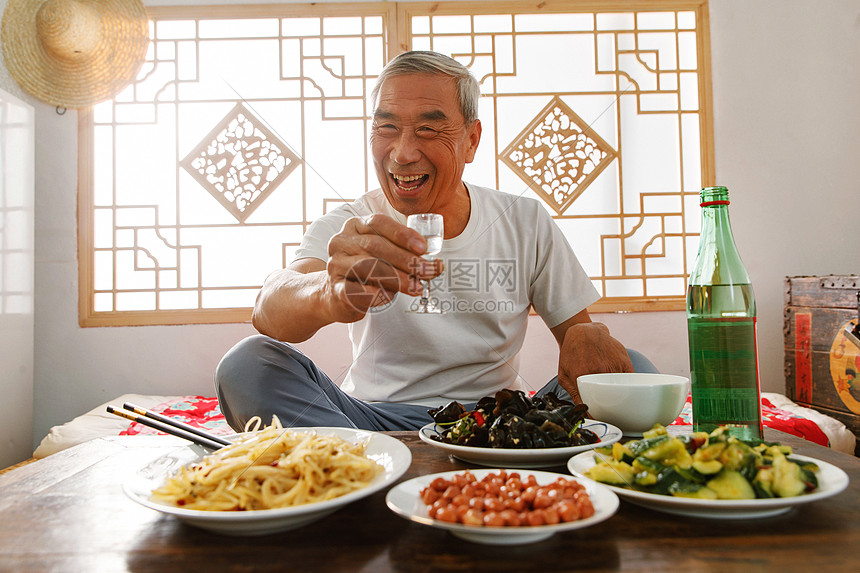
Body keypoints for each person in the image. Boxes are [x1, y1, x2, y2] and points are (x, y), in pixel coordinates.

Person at [215, 50, 656, 432]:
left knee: (633, 370)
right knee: (247, 364)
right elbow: (268, 309)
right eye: (386, 128)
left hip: (500, 418)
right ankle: (358, 461)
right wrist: (328, 292)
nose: (403, 152)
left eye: (428, 129)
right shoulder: (351, 223)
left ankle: (375, 473)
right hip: (371, 420)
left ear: (471, 140)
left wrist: (586, 333)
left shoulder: (524, 219)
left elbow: (579, 335)